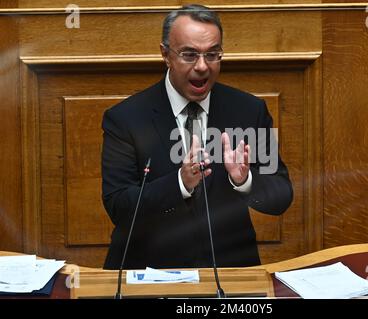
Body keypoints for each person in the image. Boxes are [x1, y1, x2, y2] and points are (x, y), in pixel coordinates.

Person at [101, 4, 293, 269]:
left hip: (230, 272)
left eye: (213, 55)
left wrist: (245, 181)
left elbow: (281, 195)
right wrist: (179, 183)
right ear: (165, 54)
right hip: (149, 271)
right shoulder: (126, 119)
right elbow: (118, 206)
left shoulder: (249, 110)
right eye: (190, 55)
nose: (203, 66)